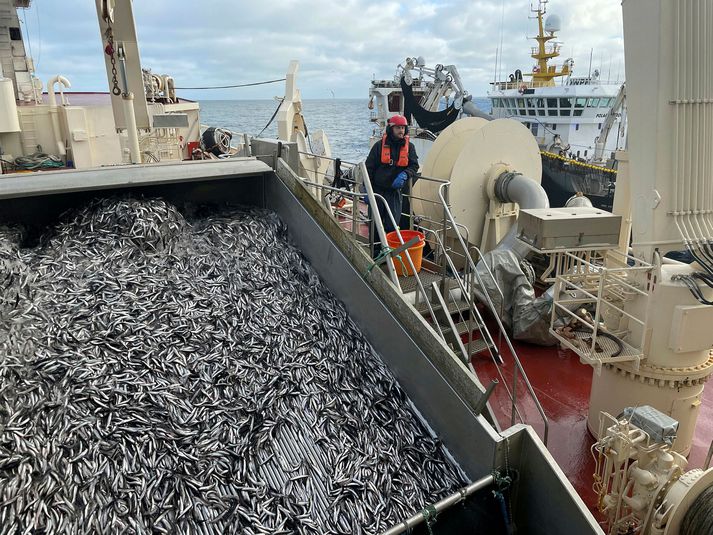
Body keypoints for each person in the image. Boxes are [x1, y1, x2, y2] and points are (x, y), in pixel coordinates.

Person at [365, 114, 419, 256]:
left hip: (394, 193)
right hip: (377, 191)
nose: (401, 131)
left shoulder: (410, 147)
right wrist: (367, 190)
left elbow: (414, 165)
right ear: (391, 129)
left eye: (403, 128)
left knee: (392, 225)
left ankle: (389, 253)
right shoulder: (378, 147)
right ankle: (375, 252)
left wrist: (406, 174)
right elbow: (368, 168)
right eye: (398, 128)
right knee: (375, 222)